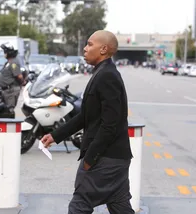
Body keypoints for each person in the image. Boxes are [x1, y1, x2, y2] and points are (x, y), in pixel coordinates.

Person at [41, 30, 134, 214]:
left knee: (79, 205)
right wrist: (55, 135)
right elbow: (86, 116)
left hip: (106, 159)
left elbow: (110, 125)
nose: (85, 48)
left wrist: (89, 160)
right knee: (120, 207)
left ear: (103, 49)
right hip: (116, 160)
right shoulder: (102, 73)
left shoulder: (107, 76)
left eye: (90, 44)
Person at [0, 42, 25, 118]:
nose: (4, 53)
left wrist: (22, 83)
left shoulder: (13, 62)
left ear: (9, 52)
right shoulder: (8, 62)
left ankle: (10, 128)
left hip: (10, 91)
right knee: (4, 110)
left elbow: (19, 76)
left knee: (9, 111)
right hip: (6, 90)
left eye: (5, 51)